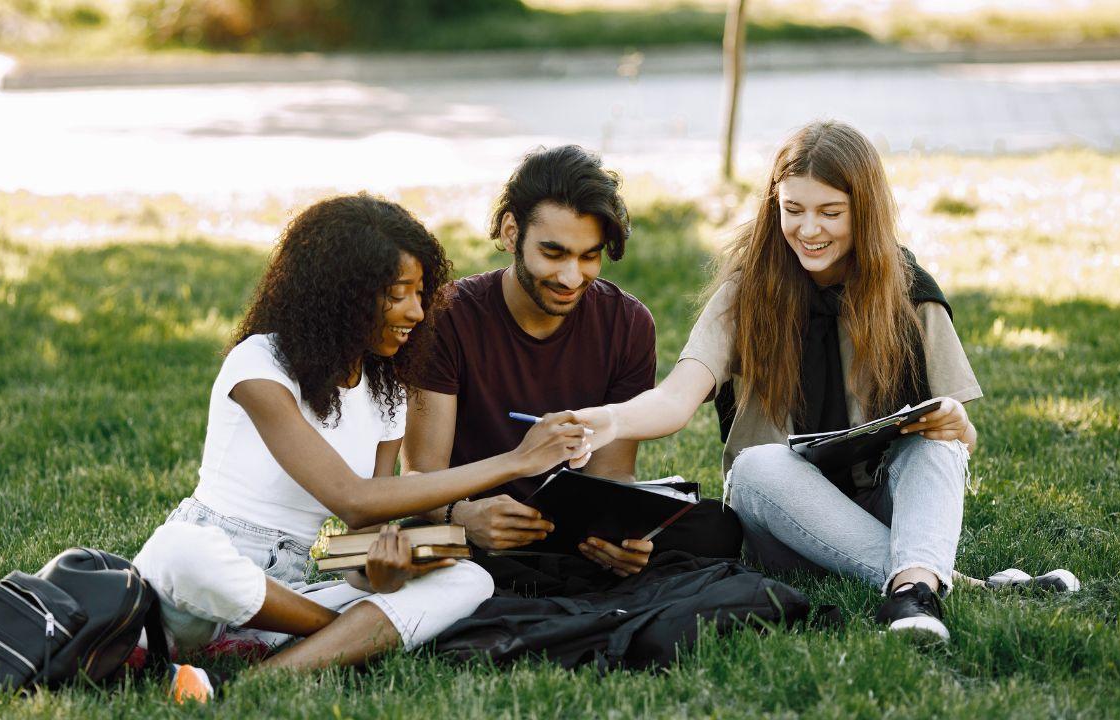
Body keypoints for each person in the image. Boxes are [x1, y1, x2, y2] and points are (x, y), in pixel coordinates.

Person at [131, 194, 590, 702]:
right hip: (191, 591)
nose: (417, 311)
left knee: (468, 580)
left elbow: (360, 541)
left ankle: (251, 678)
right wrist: (516, 461)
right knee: (184, 552)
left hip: (286, 594)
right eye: (399, 294)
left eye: (421, 292)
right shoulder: (258, 365)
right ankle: (335, 639)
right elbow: (351, 497)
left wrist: (381, 571)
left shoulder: (384, 393)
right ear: (344, 294)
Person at [570, 121, 982, 642]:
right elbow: (676, 399)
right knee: (757, 463)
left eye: (830, 213)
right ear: (774, 206)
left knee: (935, 444)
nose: (809, 230)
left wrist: (957, 424)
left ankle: (912, 592)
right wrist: (604, 421)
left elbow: (962, 448)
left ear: (866, 212)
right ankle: (931, 579)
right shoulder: (748, 292)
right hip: (777, 515)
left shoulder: (909, 293)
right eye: (793, 210)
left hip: (875, 501)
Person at [402, 145, 741, 596]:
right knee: (411, 545)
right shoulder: (448, 316)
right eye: (553, 253)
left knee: (716, 530)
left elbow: (612, 475)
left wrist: (622, 537)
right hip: (474, 526)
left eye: (588, 256)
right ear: (510, 231)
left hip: (566, 533)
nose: (571, 277)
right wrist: (462, 516)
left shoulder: (627, 323)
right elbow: (420, 479)